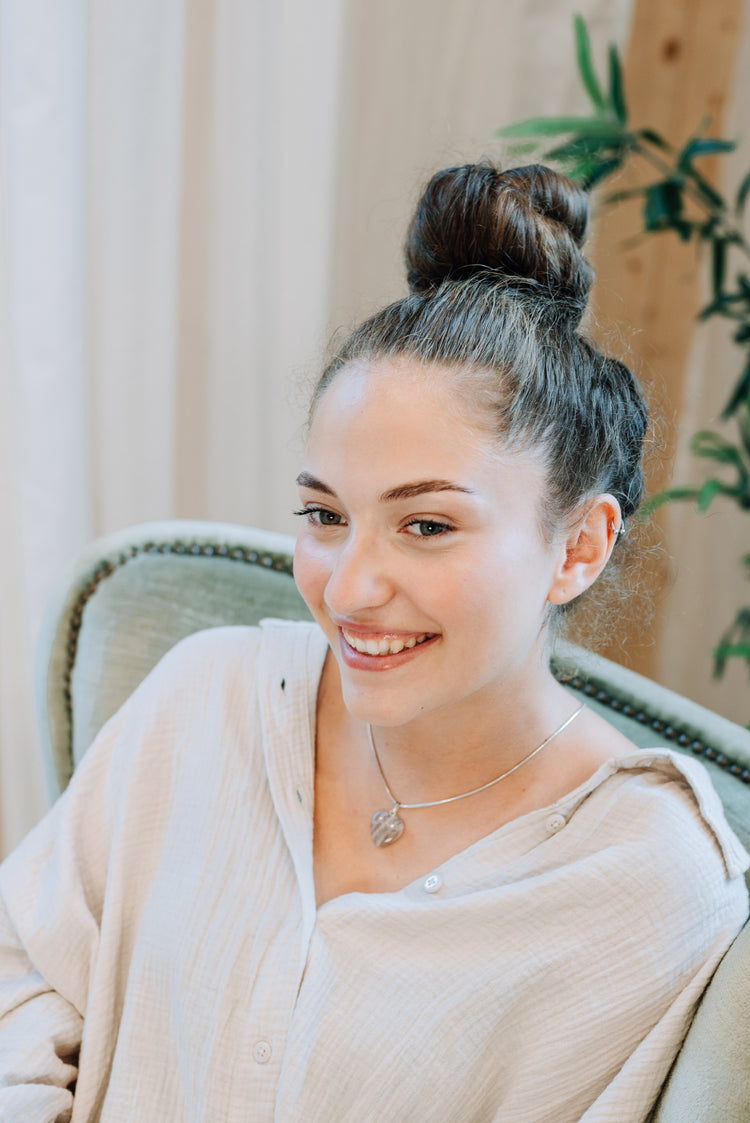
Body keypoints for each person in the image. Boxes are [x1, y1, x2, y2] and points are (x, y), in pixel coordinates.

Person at [0, 163, 747, 1122]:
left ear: (580, 546)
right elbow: (23, 960)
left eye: (427, 525)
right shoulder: (205, 698)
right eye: (323, 513)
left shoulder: (641, 879)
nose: (348, 587)